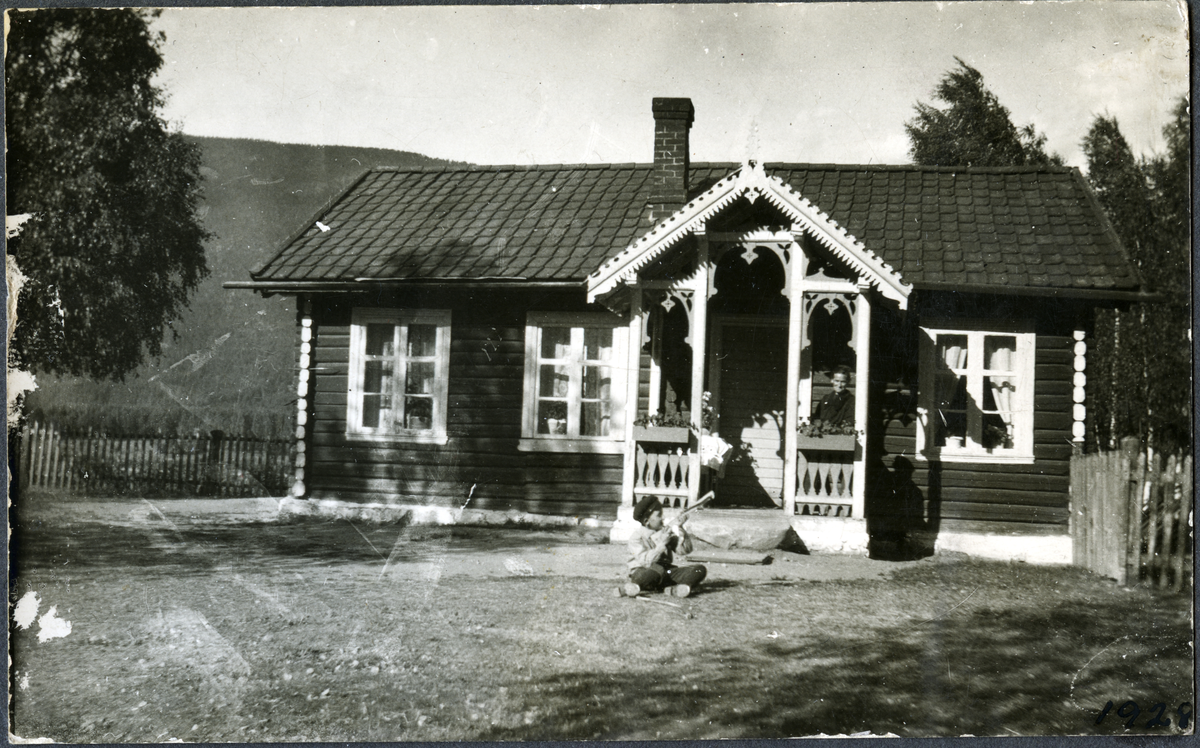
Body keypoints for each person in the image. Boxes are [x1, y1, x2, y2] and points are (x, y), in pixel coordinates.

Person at [617, 496, 707, 598]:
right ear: (647, 521)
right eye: (659, 515)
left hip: (665, 573)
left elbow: (685, 550)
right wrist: (661, 544)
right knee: (655, 570)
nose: (662, 518)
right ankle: (633, 587)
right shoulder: (636, 538)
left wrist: (680, 528)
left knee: (699, 569)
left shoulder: (664, 532)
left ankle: (676, 589)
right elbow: (646, 562)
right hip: (644, 573)